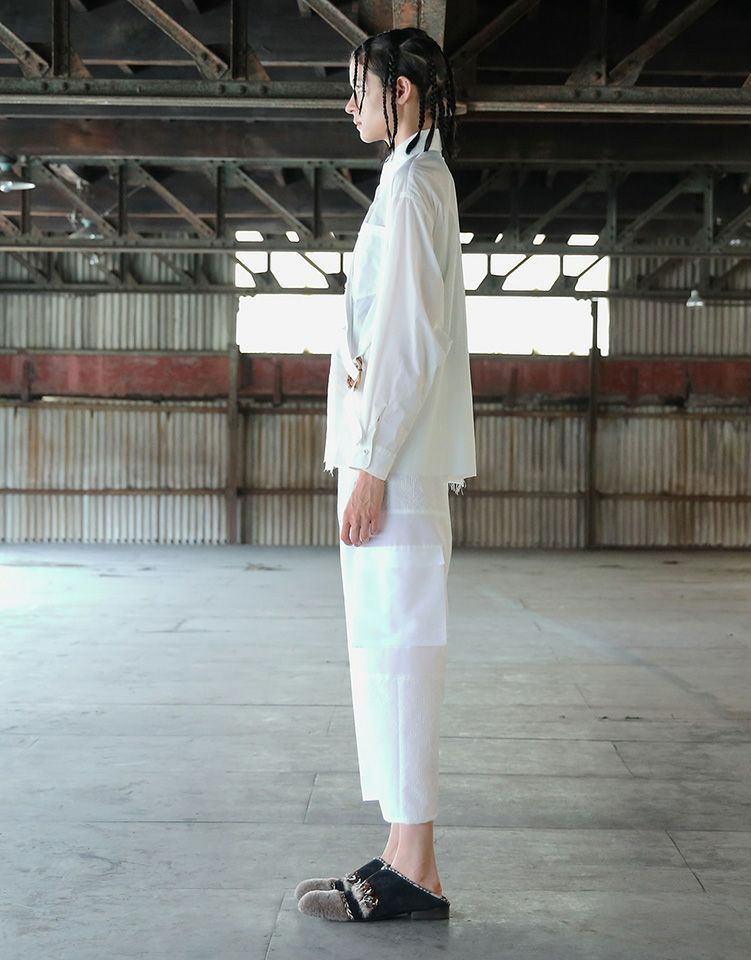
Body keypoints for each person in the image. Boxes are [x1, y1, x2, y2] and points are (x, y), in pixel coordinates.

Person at [295, 26, 476, 923]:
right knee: (387, 651)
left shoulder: (411, 188)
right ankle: (406, 852)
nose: (349, 104)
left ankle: (419, 869)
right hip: (389, 457)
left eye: (358, 87)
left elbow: (405, 341)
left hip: (393, 464)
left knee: (401, 654)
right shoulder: (410, 179)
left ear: (399, 91)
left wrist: (368, 465)